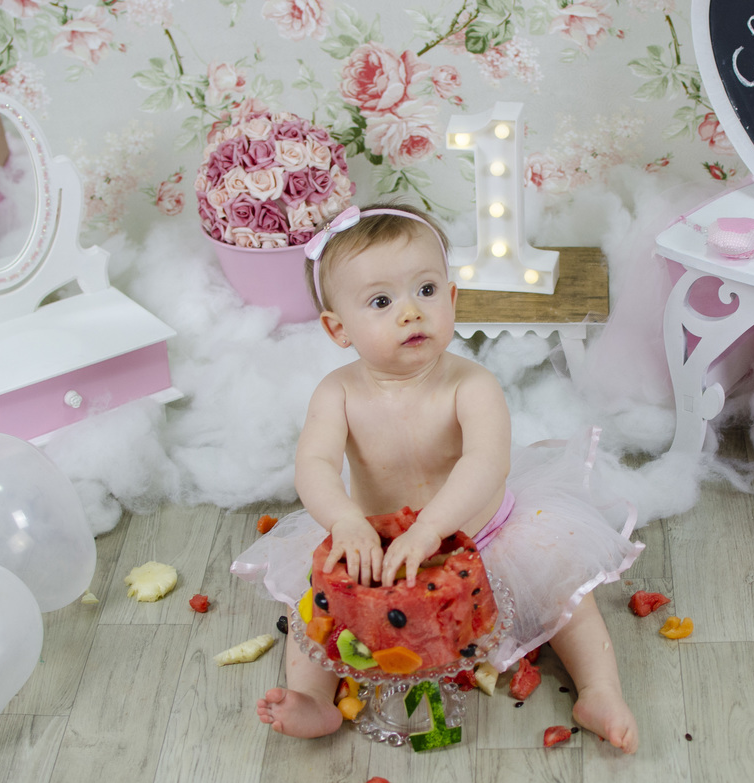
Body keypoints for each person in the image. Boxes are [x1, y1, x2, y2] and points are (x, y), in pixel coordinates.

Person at [230, 202, 643, 751]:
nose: (410, 312)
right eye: (381, 301)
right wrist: (345, 521)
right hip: (374, 544)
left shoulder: (472, 385)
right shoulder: (337, 393)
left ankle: (599, 690)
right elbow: (315, 464)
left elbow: (485, 464)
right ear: (338, 328)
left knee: (564, 589)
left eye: (425, 290)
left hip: (482, 534)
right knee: (313, 609)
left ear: (451, 298)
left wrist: (430, 529)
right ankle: (312, 697)